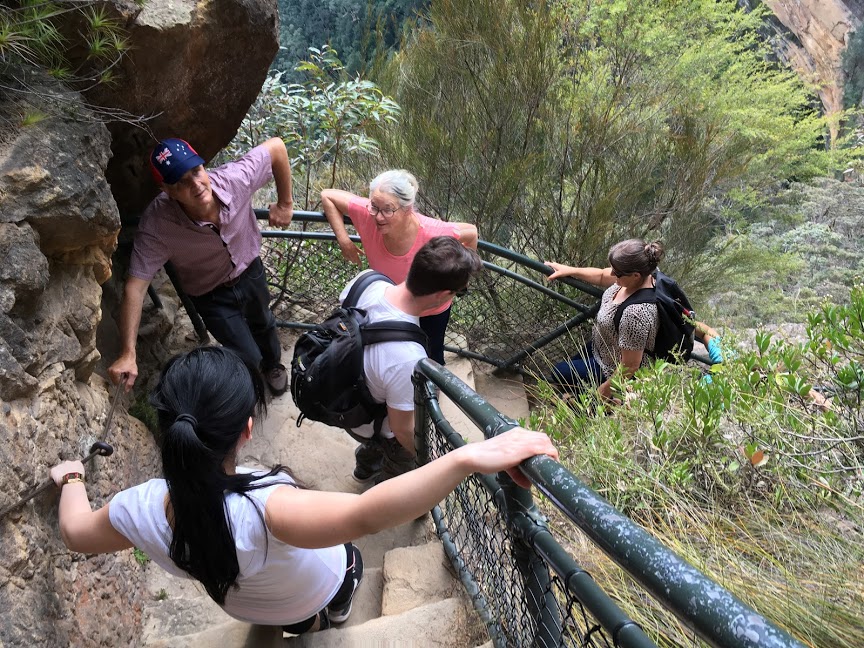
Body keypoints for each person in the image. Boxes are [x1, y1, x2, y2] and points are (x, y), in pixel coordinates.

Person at [49, 346, 557, 634]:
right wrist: (466, 456)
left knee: (302, 609)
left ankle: (313, 622)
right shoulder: (268, 509)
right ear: (247, 429)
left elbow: (74, 530)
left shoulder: (138, 509)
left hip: (246, 609)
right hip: (309, 591)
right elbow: (366, 515)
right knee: (350, 562)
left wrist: (72, 477)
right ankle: (332, 612)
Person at [108, 137, 294, 396]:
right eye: (182, 182)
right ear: (167, 190)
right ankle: (251, 385)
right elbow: (136, 288)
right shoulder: (157, 226)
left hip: (249, 270)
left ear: (203, 167)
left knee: (264, 322)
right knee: (244, 353)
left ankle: (273, 366)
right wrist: (128, 353)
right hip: (210, 295)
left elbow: (276, 147)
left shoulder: (234, 180)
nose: (196, 185)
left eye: (196, 171)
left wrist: (285, 204)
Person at [342, 236, 483, 484]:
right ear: (443, 295)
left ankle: (364, 467)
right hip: (372, 423)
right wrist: (430, 456)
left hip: (346, 397)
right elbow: (402, 430)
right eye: (459, 293)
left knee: (376, 434)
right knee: (400, 460)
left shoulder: (366, 281)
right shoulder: (407, 358)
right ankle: (385, 494)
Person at [321, 170, 479, 364]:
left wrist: (460, 282)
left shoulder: (434, 232)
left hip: (429, 310)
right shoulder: (367, 214)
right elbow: (327, 196)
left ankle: (430, 389)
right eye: (374, 207)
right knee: (389, 352)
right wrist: (344, 240)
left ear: (407, 208)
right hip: (390, 302)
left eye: (388, 210)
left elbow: (471, 233)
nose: (378, 217)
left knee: (431, 354)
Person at [544, 239, 666, 401]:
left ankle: (609, 400)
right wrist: (570, 270)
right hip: (604, 344)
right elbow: (602, 275)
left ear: (636, 275)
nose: (612, 274)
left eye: (617, 272)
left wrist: (602, 394)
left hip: (612, 364)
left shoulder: (636, 313)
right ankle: (579, 393)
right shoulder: (644, 273)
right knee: (568, 369)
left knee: (559, 372)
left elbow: (630, 366)